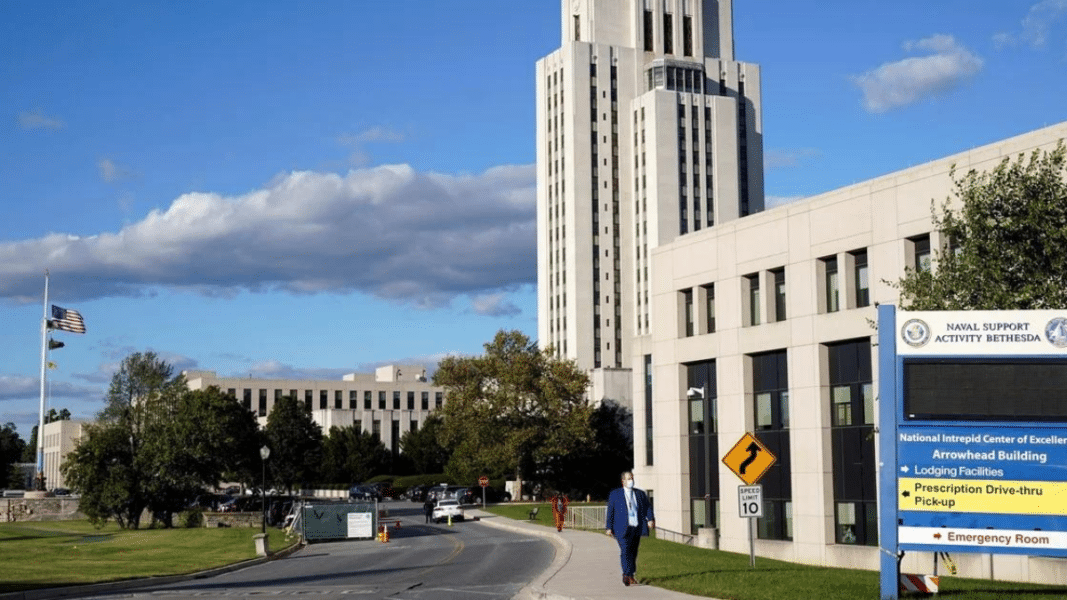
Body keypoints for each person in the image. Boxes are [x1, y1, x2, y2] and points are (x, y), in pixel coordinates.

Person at [604, 471, 655, 586]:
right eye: (628, 479)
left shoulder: (640, 494)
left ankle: (630, 575)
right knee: (625, 550)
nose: (631, 481)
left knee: (633, 552)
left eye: (631, 478)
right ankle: (626, 574)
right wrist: (608, 527)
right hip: (621, 528)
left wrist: (650, 519)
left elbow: (648, 507)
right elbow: (610, 511)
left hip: (636, 527)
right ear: (623, 481)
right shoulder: (615, 494)